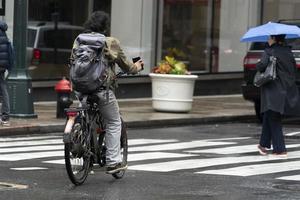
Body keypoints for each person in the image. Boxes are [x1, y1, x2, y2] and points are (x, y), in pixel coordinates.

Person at [72, 11, 143, 174]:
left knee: (85, 114)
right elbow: (128, 66)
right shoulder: (110, 42)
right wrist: (137, 66)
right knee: (113, 121)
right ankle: (113, 162)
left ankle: (80, 140)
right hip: (101, 89)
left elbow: (73, 62)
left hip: (81, 89)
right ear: (106, 26)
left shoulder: (79, 40)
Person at [256, 34, 300, 156]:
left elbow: (261, 66)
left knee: (273, 117)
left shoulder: (269, 51)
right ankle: (263, 145)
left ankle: (280, 149)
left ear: (274, 39)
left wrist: (258, 63)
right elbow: (294, 71)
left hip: (273, 90)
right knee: (268, 115)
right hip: (286, 89)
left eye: (269, 37)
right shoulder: (288, 52)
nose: (268, 39)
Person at [0, 21, 11, 126]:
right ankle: (5, 116)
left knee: (3, 89)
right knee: (3, 89)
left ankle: (5, 115)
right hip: (2, 64)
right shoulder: (2, 30)